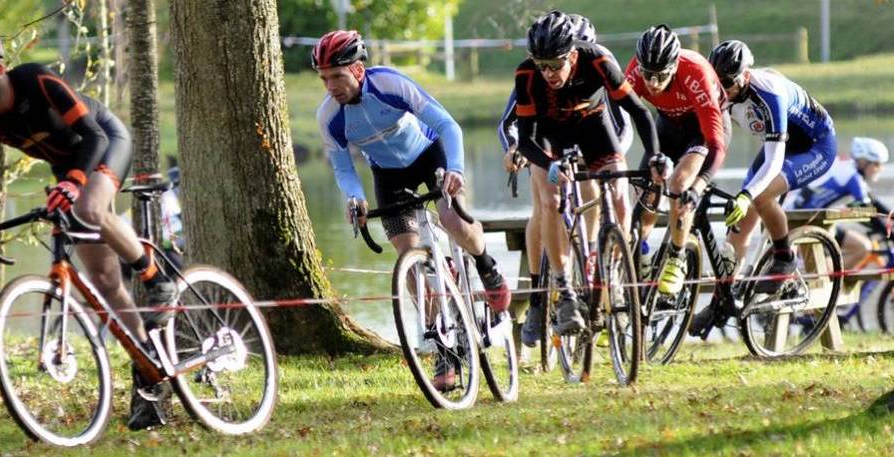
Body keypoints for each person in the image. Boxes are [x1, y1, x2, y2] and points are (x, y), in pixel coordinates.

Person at [0, 28, 176, 430]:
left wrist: (73, 180)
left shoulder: (37, 81)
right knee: (104, 282)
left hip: (103, 144)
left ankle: (154, 276)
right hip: (66, 167)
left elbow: (93, 134)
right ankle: (150, 375)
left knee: (89, 207)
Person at [312, 30, 511, 390]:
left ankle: (486, 266)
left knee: (453, 219)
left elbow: (448, 125)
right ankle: (443, 348)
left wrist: (456, 169)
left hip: (430, 155)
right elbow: (343, 167)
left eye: (337, 76)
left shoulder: (389, 84)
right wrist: (354, 198)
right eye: (324, 78)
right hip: (388, 175)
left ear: (358, 70)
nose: (330, 86)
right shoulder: (329, 117)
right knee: (407, 258)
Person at [509, 11, 660, 336]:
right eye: (542, 64)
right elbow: (526, 140)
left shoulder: (598, 60)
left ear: (573, 55)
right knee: (548, 200)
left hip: (593, 129)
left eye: (555, 64)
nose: (548, 72)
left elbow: (639, 112)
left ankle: (615, 278)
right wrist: (549, 165)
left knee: (620, 198)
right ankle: (564, 291)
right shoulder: (526, 75)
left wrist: (656, 156)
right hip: (549, 141)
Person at [689, 40, 838, 336]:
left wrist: (747, 194)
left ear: (746, 75)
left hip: (814, 146)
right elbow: (712, 138)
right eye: (718, 84)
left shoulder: (769, 93)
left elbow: (774, 160)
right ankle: (722, 300)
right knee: (739, 226)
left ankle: (784, 256)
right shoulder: (722, 94)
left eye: (729, 83)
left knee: (761, 195)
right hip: (780, 146)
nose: (723, 90)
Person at [624, 24, 730, 297]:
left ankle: (677, 256)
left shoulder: (695, 73)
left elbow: (716, 143)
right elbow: (617, 119)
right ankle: (643, 254)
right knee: (642, 194)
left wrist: (699, 185)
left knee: (679, 183)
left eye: (660, 76)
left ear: (674, 67)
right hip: (667, 125)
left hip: (702, 130)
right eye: (648, 74)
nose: (652, 82)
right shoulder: (636, 71)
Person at [788, 137, 890, 270]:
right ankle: (821, 277)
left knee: (862, 247)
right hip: (804, 223)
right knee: (861, 248)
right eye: (877, 164)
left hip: (817, 222)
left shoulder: (850, 170)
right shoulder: (852, 177)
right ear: (863, 162)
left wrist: (890, 217)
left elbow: (873, 202)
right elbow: (865, 208)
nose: (879, 169)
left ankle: (829, 278)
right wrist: (888, 233)